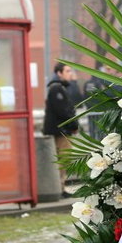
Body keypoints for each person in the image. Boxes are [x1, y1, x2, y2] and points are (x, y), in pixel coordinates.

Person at [43, 62, 79, 197]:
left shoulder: (60, 88)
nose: (70, 74)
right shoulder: (56, 89)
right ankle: (60, 188)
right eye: (67, 71)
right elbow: (63, 111)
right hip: (60, 131)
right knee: (63, 159)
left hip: (61, 130)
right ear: (59, 73)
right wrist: (74, 125)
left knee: (63, 160)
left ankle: (61, 187)